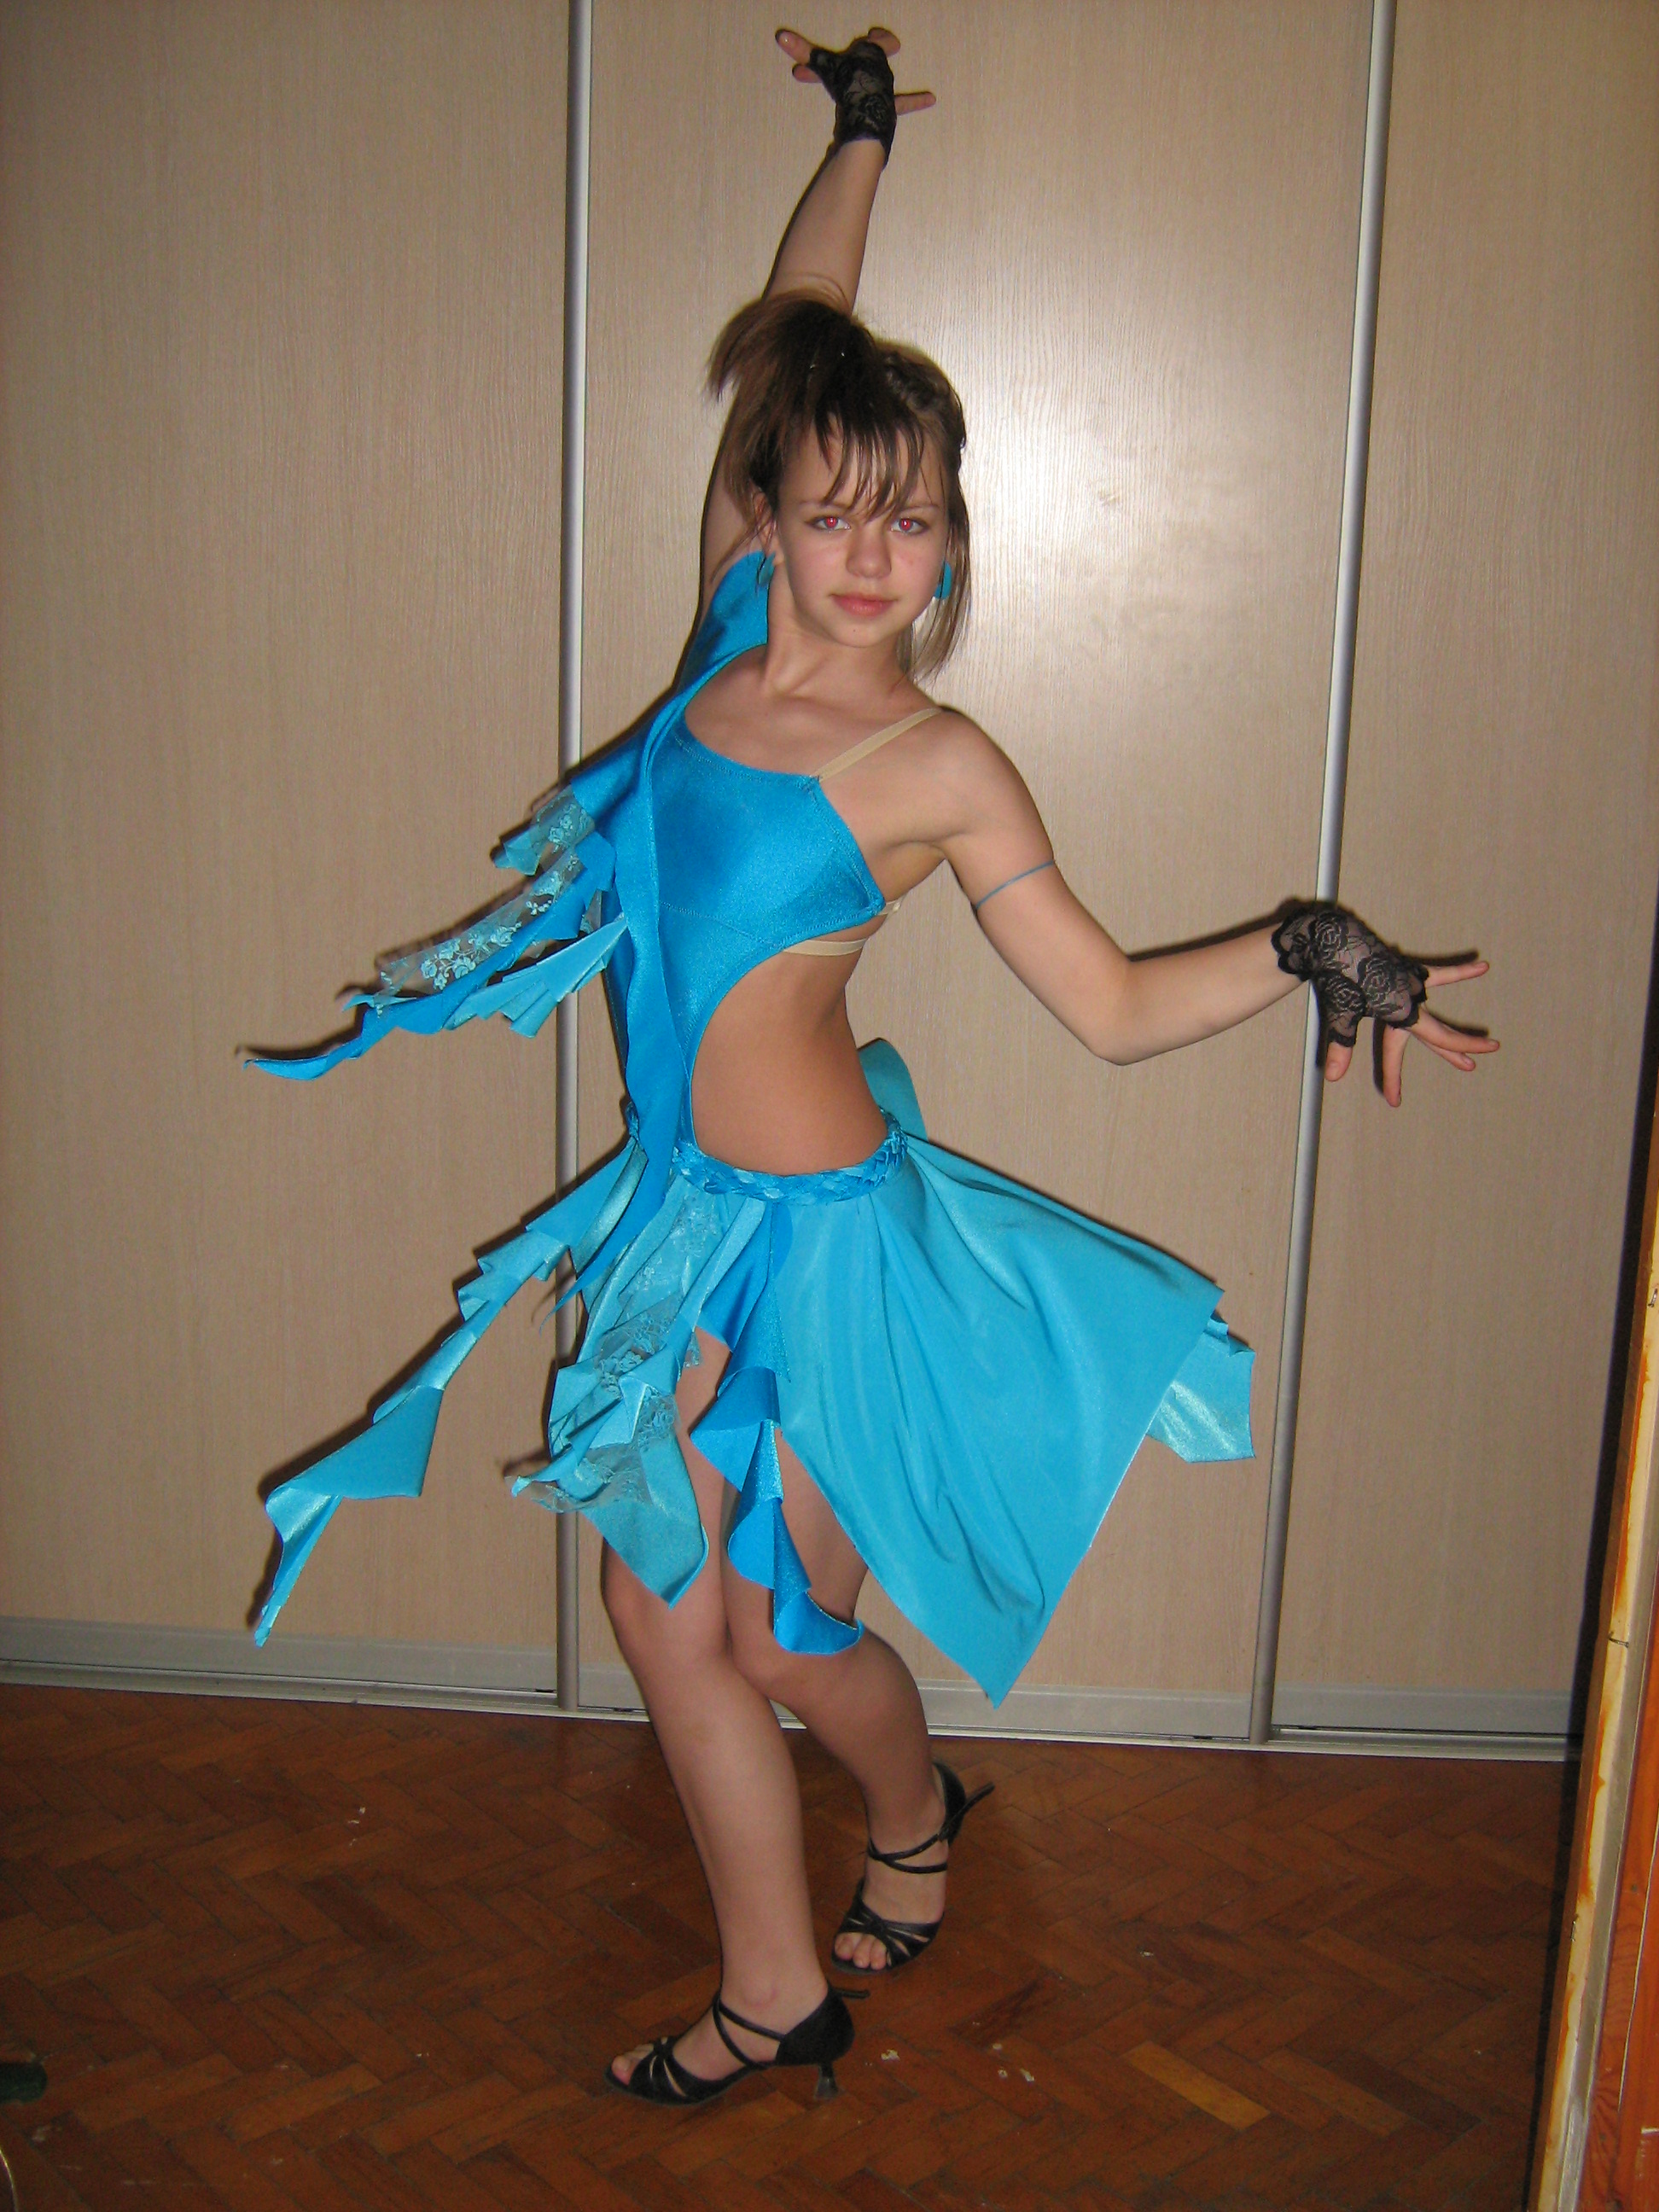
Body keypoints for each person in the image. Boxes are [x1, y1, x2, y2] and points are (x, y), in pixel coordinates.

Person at [246, 26, 1496, 2107]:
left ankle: (911, 1819)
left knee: (776, 1635)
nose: (863, 550)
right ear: (772, 508)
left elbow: (1108, 1004)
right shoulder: (724, 627)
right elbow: (798, 324)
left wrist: (1307, 946)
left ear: (952, 544)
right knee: (662, 1611)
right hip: (679, 1227)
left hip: (830, 1259)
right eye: (830, 508)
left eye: (907, 521)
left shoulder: (938, 764)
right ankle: (777, 1986)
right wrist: (857, 133)